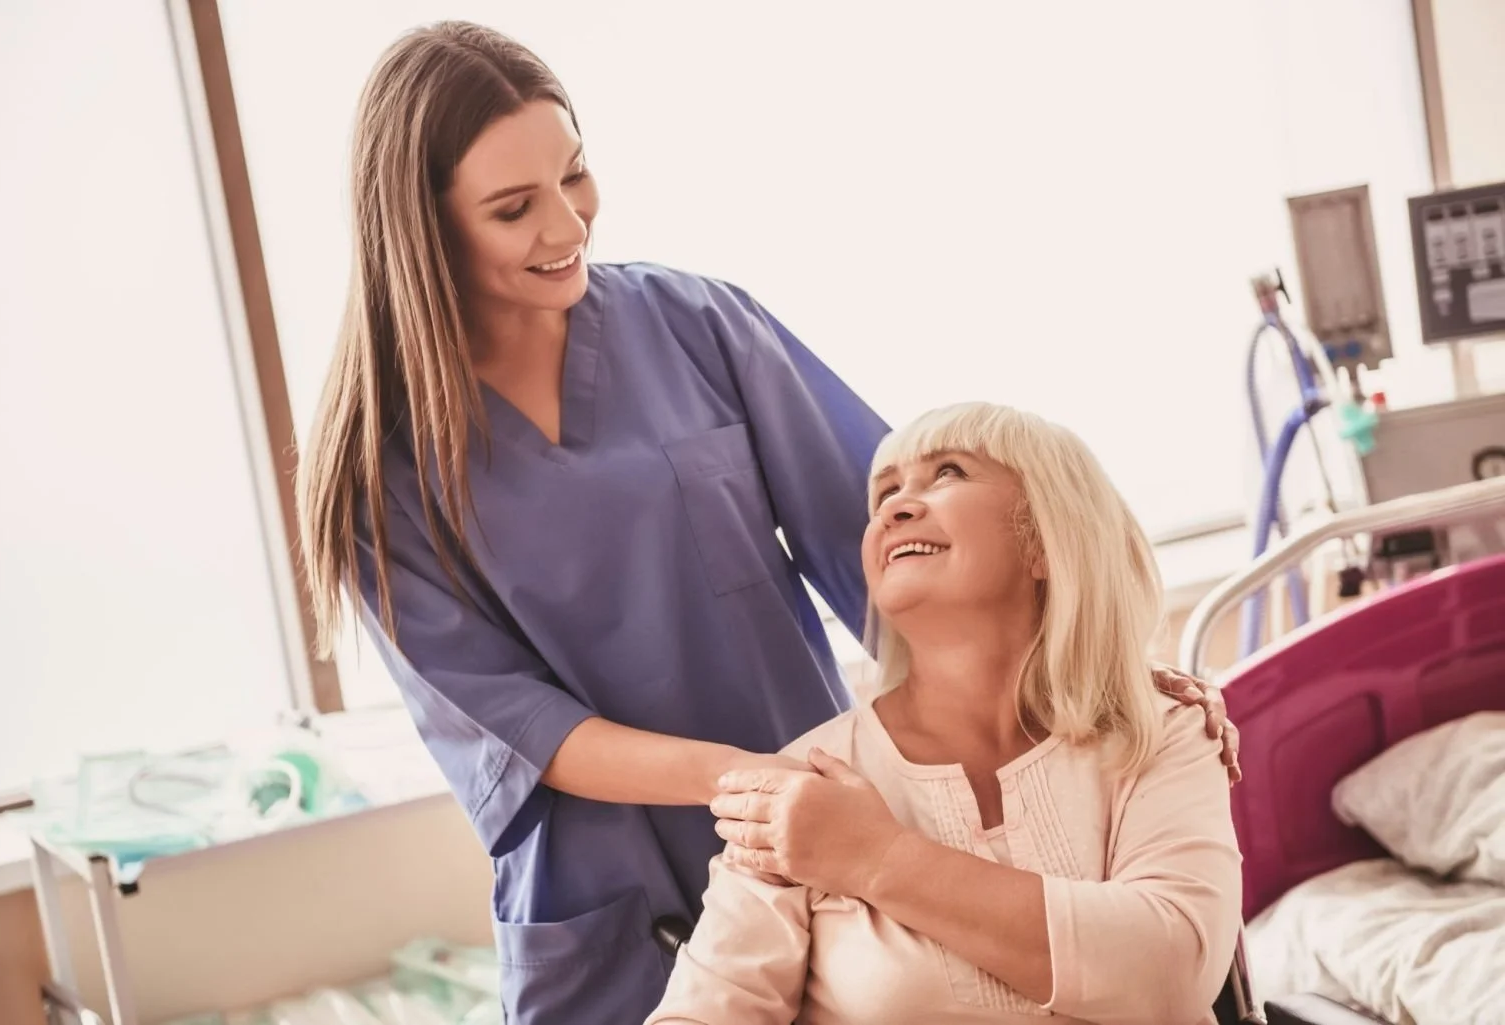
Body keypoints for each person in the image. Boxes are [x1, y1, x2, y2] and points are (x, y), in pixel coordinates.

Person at [295, 22, 1240, 1024]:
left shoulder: (696, 326)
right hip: (613, 904)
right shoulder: (377, 474)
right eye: (513, 208)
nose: (568, 225)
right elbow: (525, 732)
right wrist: (768, 789)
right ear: (425, 229)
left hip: (825, 851)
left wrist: (1099, 668)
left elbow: (895, 541)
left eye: (576, 176)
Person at [648, 403, 1243, 1025]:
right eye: (885, 493)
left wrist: (879, 860)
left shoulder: (1162, 730)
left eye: (950, 473)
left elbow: (1175, 969)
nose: (895, 508)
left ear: (1046, 540)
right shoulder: (806, 788)